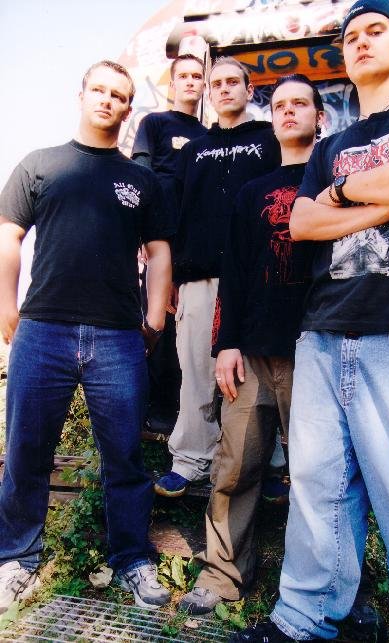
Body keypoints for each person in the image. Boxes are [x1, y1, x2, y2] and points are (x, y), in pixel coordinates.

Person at [233, 1, 389, 641]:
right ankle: (304, 621)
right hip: (322, 334)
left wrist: (343, 196)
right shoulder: (330, 145)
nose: (360, 42)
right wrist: (380, 198)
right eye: (350, 35)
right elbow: (303, 222)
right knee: (318, 493)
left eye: (375, 31)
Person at [0, 60, 173, 614]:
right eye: (98, 90)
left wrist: (154, 322)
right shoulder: (40, 165)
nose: (107, 100)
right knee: (25, 452)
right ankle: (16, 560)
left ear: (128, 108)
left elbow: (160, 252)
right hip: (43, 331)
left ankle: (132, 560)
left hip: (118, 339)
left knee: (124, 456)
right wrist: (6, 306)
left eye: (118, 95)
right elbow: (9, 236)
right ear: (81, 96)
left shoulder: (140, 181)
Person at [177, 73, 322, 613]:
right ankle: (223, 574)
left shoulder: (334, 177)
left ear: (319, 117)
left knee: (318, 471)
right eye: (280, 105)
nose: (289, 112)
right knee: (235, 466)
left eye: (300, 103)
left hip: (315, 349)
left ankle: (320, 585)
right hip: (253, 352)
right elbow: (234, 276)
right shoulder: (251, 192)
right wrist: (226, 344)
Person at [154, 57, 281, 497]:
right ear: (209, 93)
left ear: (249, 89)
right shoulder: (192, 151)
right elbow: (174, 215)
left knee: (260, 372)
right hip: (200, 277)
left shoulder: (269, 140)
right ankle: (191, 459)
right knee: (196, 372)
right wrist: (172, 276)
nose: (225, 89)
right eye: (217, 84)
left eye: (233, 82)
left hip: (260, 278)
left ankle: (267, 465)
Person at [132, 54, 206, 432]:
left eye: (197, 76)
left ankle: (181, 415)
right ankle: (154, 414)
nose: (191, 81)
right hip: (158, 238)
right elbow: (140, 172)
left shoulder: (209, 135)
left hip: (194, 245)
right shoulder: (155, 123)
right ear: (172, 84)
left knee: (187, 327)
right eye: (184, 76)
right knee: (155, 318)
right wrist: (139, 229)